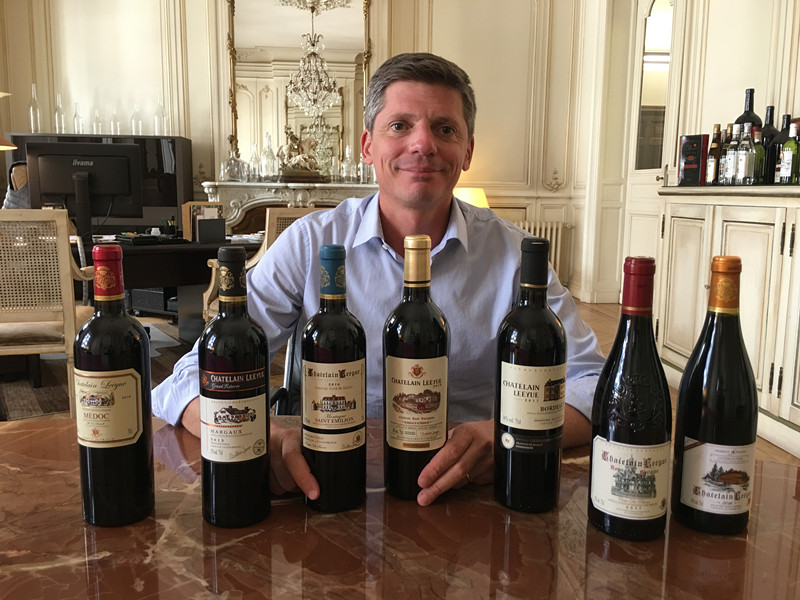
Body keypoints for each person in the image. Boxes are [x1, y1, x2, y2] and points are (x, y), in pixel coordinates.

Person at [153, 52, 606, 507]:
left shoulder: (515, 256)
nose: (423, 144)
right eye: (400, 125)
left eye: (445, 129)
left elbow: (594, 384)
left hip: (474, 496)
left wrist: (508, 433)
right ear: (368, 146)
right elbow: (189, 377)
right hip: (329, 487)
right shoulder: (310, 244)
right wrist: (258, 432)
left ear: (467, 151)